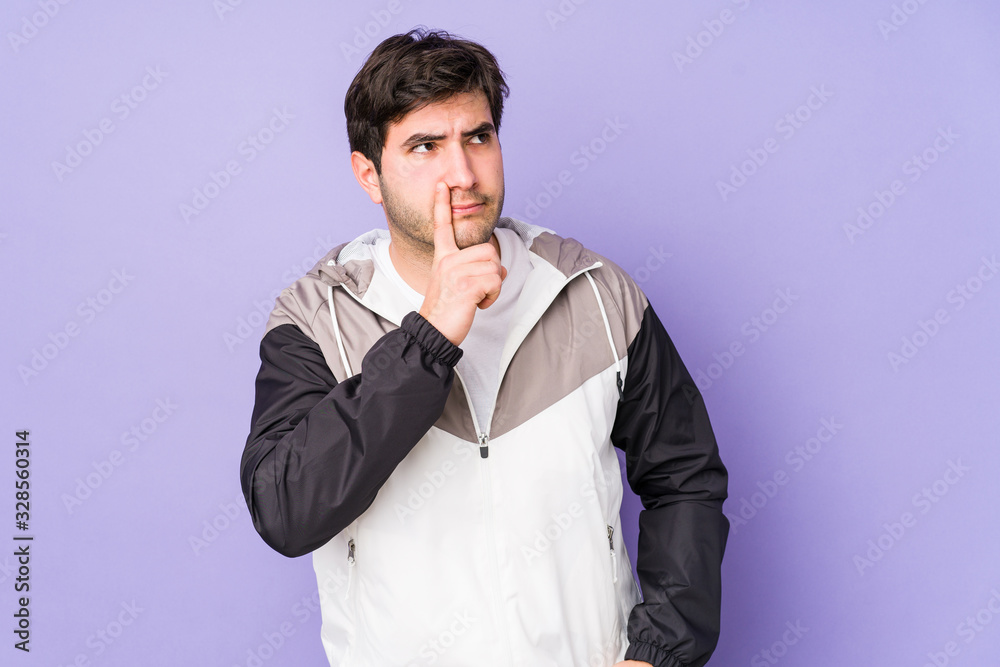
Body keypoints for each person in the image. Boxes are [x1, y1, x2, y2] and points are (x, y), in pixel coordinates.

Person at [240, 27, 729, 667]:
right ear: (370, 175)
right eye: (425, 146)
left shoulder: (595, 293)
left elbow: (685, 477)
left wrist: (659, 651)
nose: (464, 174)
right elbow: (286, 510)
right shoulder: (316, 319)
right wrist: (429, 336)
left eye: (478, 137)